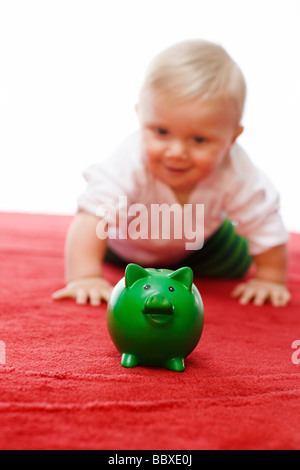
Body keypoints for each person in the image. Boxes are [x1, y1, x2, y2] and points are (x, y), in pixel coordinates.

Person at [52, 39, 291, 307]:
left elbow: (264, 219)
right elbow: (92, 215)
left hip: (199, 246)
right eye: (161, 132)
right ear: (141, 116)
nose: (177, 152)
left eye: (199, 140)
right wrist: (85, 277)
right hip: (125, 248)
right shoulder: (129, 162)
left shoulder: (236, 170)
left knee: (238, 260)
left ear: (232, 138)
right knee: (94, 242)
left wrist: (270, 279)